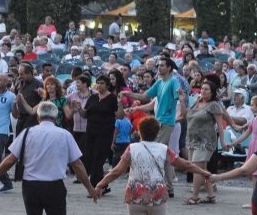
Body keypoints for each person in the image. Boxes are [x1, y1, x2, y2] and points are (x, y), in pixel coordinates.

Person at [122, 57, 181, 197]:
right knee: (164, 153)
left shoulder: (173, 81)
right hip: (159, 121)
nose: (159, 67)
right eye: (158, 65)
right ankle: (168, 187)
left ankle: (156, 185)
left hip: (166, 122)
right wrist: (129, 94)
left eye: (162, 65)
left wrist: (177, 109)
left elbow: (179, 98)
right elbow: (145, 97)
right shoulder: (159, 82)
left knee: (155, 152)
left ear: (169, 68)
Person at [180, 81, 230, 205]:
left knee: (197, 169)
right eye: (202, 88)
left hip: (205, 141)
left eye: (206, 89)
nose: (203, 91)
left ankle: (195, 197)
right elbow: (185, 115)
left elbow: (220, 126)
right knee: (202, 169)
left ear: (212, 92)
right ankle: (211, 196)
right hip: (192, 140)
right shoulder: (197, 102)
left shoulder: (214, 105)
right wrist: (182, 100)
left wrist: (223, 142)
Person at [72, 74, 124, 193]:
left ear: (107, 85)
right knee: (89, 158)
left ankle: (95, 188)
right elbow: (85, 114)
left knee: (98, 159)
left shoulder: (112, 98)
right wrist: (79, 109)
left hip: (104, 133)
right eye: (98, 83)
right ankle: (103, 186)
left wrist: (120, 104)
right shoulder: (93, 98)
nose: (99, 85)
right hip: (91, 132)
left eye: (102, 83)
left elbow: (120, 116)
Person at [227, 96, 257, 181]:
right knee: (252, 172)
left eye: (252, 105)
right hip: (253, 146)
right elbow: (246, 134)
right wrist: (233, 144)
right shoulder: (254, 119)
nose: (251, 107)